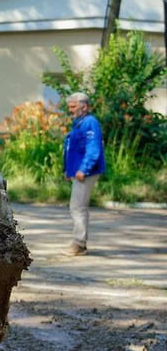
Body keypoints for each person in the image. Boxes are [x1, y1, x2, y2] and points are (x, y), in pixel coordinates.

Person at [63, 92, 105, 257]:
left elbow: (93, 149)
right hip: (78, 171)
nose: (71, 110)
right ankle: (79, 243)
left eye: (73, 107)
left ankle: (79, 244)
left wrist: (84, 169)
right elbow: (72, 149)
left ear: (84, 106)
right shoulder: (79, 122)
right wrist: (69, 171)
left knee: (78, 207)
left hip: (86, 172)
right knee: (78, 207)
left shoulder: (90, 123)